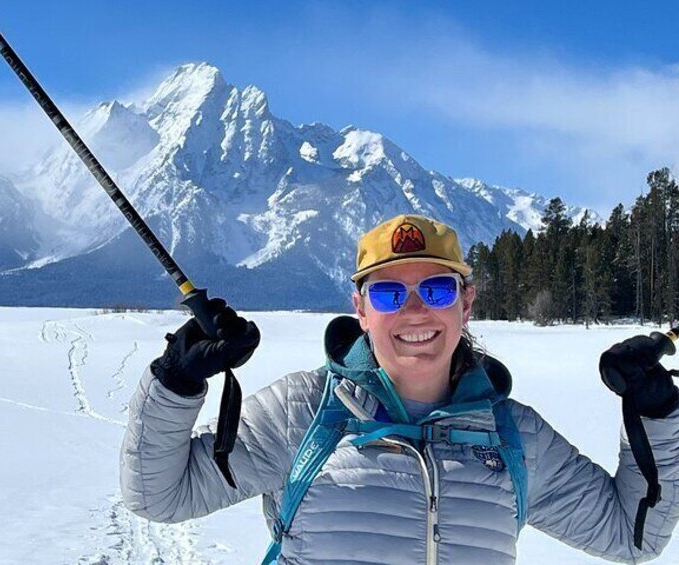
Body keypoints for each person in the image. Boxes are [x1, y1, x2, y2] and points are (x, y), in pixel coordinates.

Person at [119, 213, 679, 564]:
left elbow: (632, 537)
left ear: (466, 301)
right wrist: (176, 379)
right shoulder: (303, 414)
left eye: (435, 289)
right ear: (359, 309)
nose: (414, 310)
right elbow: (160, 496)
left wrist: (657, 416)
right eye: (388, 293)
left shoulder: (515, 436)